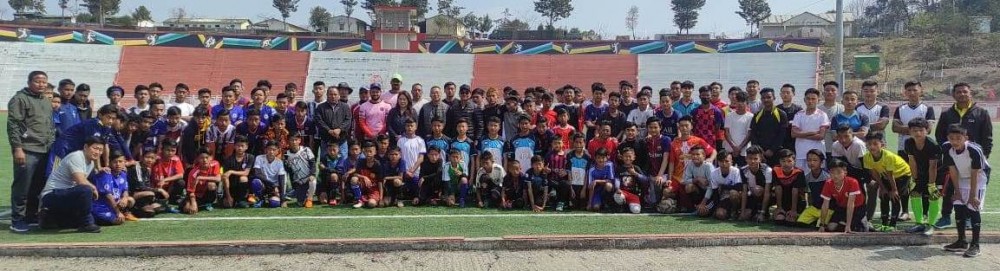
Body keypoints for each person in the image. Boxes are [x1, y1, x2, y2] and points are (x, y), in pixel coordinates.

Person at [933, 82, 993, 229]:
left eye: (965, 92)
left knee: (967, 188)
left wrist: (983, 156)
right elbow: (939, 135)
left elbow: (987, 137)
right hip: (953, 158)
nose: (962, 94)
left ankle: (966, 218)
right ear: (954, 95)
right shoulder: (947, 114)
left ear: (970, 93)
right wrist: (947, 152)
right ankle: (946, 216)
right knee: (949, 188)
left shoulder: (981, 113)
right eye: (958, 92)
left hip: (973, 161)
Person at [8, 71, 56, 232]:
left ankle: (31, 215)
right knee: (23, 187)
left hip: (44, 150)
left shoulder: (45, 100)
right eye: (37, 81)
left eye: (44, 82)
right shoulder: (20, 99)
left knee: (38, 186)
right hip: (27, 149)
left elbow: (50, 125)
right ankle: (17, 220)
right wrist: (17, 148)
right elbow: (14, 125)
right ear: (29, 82)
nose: (41, 84)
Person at [941, 124, 991, 258]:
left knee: (973, 207)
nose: (955, 141)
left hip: (978, 178)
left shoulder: (974, 150)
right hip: (961, 177)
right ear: (948, 138)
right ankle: (961, 241)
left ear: (966, 137)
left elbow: (976, 173)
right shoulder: (946, 147)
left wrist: (973, 195)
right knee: (958, 206)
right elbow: (952, 170)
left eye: (959, 138)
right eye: (952, 138)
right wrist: (957, 191)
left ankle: (975, 245)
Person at [37, 136, 104, 233]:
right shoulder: (76, 157)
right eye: (95, 148)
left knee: (76, 220)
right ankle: (87, 224)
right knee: (86, 190)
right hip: (51, 195)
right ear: (85, 147)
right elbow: (81, 181)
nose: (97, 152)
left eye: (100, 150)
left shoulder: (91, 163)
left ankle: (48, 217)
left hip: (66, 195)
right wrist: (93, 188)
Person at [862, 131, 911, 230]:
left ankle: (893, 224)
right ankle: (884, 223)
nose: (872, 147)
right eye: (869, 144)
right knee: (883, 195)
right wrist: (883, 188)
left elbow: (890, 174)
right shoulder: (866, 157)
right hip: (886, 175)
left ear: (882, 144)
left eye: (875, 144)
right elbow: (874, 173)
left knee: (894, 197)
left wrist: (894, 190)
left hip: (902, 173)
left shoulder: (888, 156)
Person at [903, 118, 941, 236]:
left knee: (933, 196)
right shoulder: (908, 143)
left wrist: (931, 184)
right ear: (910, 131)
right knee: (915, 193)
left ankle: (931, 225)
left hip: (936, 173)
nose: (918, 133)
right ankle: (919, 223)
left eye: (921, 130)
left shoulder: (932, 145)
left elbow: (933, 166)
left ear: (927, 131)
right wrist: (914, 179)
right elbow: (912, 161)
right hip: (920, 172)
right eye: (914, 130)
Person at [818, 160, 865, 233]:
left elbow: (851, 204)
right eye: (832, 172)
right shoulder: (828, 183)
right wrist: (822, 225)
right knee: (831, 227)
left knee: (856, 228)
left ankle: (862, 222)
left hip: (857, 207)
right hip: (842, 207)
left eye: (839, 172)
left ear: (845, 172)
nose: (835, 175)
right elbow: (825, 205)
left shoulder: (852, 182)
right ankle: (844, 223)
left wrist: (848, 226)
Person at [91, 151, 136, 226]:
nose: (118, 164)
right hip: (101, 206)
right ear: (110, 163)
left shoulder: (123, 174)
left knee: (130, 200)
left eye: (120, 161)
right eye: (115, 162)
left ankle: (124, 213)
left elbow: (125, 190)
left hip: (114, 204)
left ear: (124, 162)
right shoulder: (105, 174)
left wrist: (124, 198)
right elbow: (108, 196)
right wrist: (118, 212)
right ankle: (94, 218)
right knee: (118, 221)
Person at [790, 88, 830, 169]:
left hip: (817, 154)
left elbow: (821, 136)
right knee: (802, 179)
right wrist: (812, 132)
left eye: (813, 99)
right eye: (808, 99)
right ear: (804, 100)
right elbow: (793, 134)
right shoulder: (799, 114)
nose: (810, 101)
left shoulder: (822, 115)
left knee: (818, 179)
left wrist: (801, 134)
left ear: (818, 100)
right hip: (801, 153)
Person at [750, 88, 788, 166]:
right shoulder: (757, 115)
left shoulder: (781, 114)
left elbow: (782, 134)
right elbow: (753, 134)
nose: (766, 100)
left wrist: (772, 150)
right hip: (760, 154)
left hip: (776, 152)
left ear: (774, 98)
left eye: (768, 97)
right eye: (763, 98)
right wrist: (760, 152)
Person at [704, 150, 742, 220]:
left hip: (735, 198)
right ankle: (726, 213)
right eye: (721, 161)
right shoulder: (714, 173)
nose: (724, 164)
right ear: (718, 162)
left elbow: (739, 187)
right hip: (722, 198)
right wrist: (717, 207)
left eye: (727, 161)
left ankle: (735, 211)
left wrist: (723, 187)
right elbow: (715, 193)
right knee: (719, 214)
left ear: (731, 162)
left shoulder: (736, 171)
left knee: (733, 193)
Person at [771, 149, 806, 224]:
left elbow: (795, 191)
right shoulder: (775, 170)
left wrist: (793, 210)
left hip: (797, 202)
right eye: (783, 161)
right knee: (779, 219)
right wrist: (779, 207)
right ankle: (780, 210)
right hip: (783, 200)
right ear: (780, 162)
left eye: (789, 161)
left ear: (794, 161)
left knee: (790, 221)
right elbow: (778, 188)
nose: (786, 164)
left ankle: (796, 212)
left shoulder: (799, 172)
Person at [740, 146, 774, 221]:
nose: (752, 161)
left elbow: (767, 192)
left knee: (757, 190)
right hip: (752, 196)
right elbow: (744, 192)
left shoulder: (767, 170)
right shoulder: (743, 170)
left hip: (767, 197)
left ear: (760, 159)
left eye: (755, 159)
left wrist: (762, 213)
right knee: (746, 216)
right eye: (750, 158)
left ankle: (763, 212)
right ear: (746, 159)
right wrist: (742, 212)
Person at [183, 149, 221, 214]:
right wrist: (193, 202)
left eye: (207, 157)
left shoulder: (215, 164)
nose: (205, 160)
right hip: (196, 195)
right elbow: (190, 191)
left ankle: (209, 203)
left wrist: (201, 177)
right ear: (198, 159)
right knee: (187, 209)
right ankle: (199, 205)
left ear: (211, 158)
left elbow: (218, 179)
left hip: (206, 193)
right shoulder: (193, 172)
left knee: (211, 185)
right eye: (202, 158)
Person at [221, 136, 254, 208]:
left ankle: (241, 199)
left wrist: (231, 171)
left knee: (243, 178)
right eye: (238, 145)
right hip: (231, 188)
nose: (240, 148)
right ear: (234, 146)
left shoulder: (250, 157)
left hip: (243, 188)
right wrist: (228, 196)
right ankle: (229, 198)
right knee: (227, 205)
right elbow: (225, 177)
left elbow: (246, 173)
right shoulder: (228, 159)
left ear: (246, 147)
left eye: (242, 146)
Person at [252, 142, 287, 208]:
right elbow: (257, 174)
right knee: (255, 182)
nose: (271, 152)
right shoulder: (259, 158)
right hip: (265, 185)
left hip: (273, 189)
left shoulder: (279, 162)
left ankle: (269, 199)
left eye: (274, 150)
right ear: (265, 150)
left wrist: (282, 200)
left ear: (277, 151)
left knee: (274, 203)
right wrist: (273, 185)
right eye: (269, 149)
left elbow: (282, 180)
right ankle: (260, 199)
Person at [286, 135, 317, 208]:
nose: (294, 142)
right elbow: (289, 171)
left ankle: (310, 199)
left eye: (296, 140)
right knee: (300, 203)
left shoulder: (306, 150)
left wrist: (312, 174)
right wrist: (294, 184)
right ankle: (301, 195)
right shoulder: (286, 154)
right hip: (298, 181)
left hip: (308, 178)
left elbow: (313, 163)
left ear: (299, 140)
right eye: (292, 140)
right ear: (288, 141)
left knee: (313, 181)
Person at [724, 91, 753, 166]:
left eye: (742, 101)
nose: (740, 104)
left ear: (747, 103)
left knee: (743, 171)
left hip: (744, 151)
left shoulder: (751, 116)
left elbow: (749, 135)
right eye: (738, 101)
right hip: (730, 149)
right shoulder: (729, 115)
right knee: (729, 170)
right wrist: (734, 147)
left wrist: (739, 148)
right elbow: (726, 133)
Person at [819, 81, 845, 158]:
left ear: (837, 93)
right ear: (823, 93)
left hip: (839, 148)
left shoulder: (843, 108)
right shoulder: (817, 109)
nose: (830, 92)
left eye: (833, 90)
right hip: (821, 147)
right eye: (827, 90)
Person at [777, 84, 803, 152]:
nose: (785, 95)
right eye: (783, 92)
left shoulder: (799, 109)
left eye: (788, 92)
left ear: (793, 94)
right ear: (780, 94)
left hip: (794, 141)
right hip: (780, 141)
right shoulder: (776, 109)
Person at [318, 141, 345, 206]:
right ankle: (325, 193)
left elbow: (339, 171)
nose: (332, 152)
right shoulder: (323, 158)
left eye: (334, 150)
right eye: (330, 150)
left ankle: (333, 197)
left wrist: (325, 168)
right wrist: (323, 190)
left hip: (337, 180)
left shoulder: (341, 158)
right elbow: (323, 174)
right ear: (327, 150)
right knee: (323, 201)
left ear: (338, 150)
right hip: (325, 181)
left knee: (334, 175)